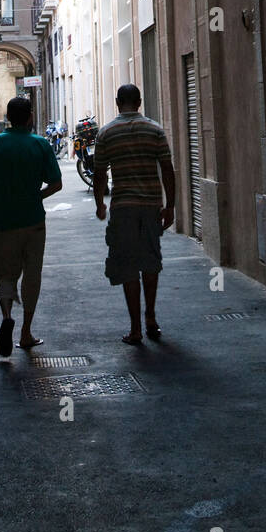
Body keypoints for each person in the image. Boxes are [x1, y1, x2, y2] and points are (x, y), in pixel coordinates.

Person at [0, 96, 62, 355]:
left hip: (3, 222)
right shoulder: (41, 144)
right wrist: (36, 196)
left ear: (9, 117)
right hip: (33, 221)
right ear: (30, 117)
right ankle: (26, 331)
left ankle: (7, 314)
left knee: (5, 274)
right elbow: (56, 183)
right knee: (32, 276)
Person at [92, 84, 176, 344]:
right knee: (150, 261)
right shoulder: (155, 130)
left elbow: (99, 173)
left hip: (123, 207)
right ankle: (151, 318)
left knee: (128, 265)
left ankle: (136, 328)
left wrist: (100, 204)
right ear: (139, 102)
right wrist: (170, 205)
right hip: (151, 206)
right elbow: (167, 169)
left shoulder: (106, 133)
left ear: (117, 102)